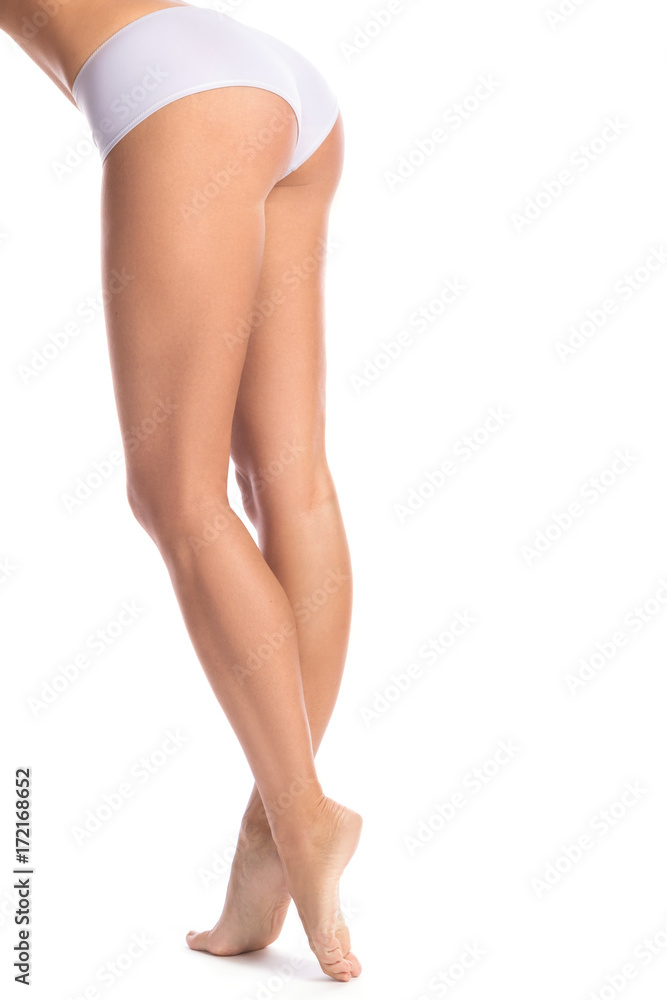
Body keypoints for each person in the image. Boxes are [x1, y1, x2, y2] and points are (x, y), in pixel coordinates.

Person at [1, 0, 362, 982]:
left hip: (177, 88)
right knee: (290, 483)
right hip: (271, 82)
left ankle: (302, 814)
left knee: (176, 496)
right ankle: (271, 843)